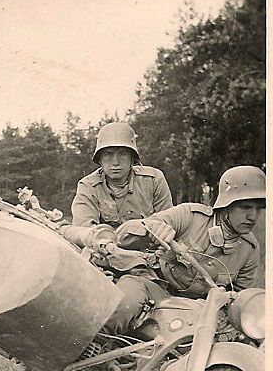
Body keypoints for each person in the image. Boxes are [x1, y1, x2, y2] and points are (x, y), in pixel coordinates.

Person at [105, 165, 265, 333]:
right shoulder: (190, 216)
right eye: (245, 207)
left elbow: (240, 303)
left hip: (199, 312)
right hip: (157, 290)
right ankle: (99, 342)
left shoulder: (249, 249)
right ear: (226, 205)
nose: (253, 216)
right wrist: (152, 228)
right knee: (128, 296)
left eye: (259, 208)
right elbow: (123, 235)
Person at [71, 122, 173, 228]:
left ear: (132, 159)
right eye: (108, 154)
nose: (115, 162)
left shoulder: (153, 180)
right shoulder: (88, 187)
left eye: (123, 154)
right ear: (100, 159)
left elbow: (169, 222)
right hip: (105, 239)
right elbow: (84, 230)